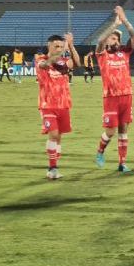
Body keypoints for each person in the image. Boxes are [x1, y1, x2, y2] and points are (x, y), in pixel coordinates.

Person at [94, 6, 134, 173]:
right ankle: (100, 151)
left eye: (117, 39)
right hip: (111, 97)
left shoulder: (124, 53)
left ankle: (122, 163)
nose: (115, 41)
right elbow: (99, 41)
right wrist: (114, 24)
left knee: (124, 129)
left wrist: (124, 21)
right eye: (112, 39)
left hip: (126, 96)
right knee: (110, 131)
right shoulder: (102, 55)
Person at [36, 33, 80, 180]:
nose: (59, 49)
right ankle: (52, 167)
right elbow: (46, 65)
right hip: (47, 105)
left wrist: (71, 46)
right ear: (49, 46)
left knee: (59, 138)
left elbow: (77, 63)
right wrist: (63, 50)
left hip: (64, 105)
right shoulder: (40, 59)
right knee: (53, 134)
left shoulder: (64, 61)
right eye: (56, 46)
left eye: (61, 46)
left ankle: (54, 167)